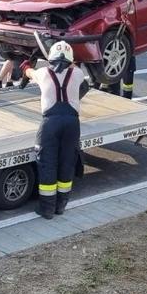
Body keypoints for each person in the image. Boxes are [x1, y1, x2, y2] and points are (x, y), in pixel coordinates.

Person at [23, 41, 86, 219]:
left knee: (47, 163)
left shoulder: (43, 73)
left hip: (50, 123)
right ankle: (61, 206)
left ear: (50, 58)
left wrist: (26, 66)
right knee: (67, 163)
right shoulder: (78, 73)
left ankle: (47, 209)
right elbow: (70, 67)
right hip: (72, 124)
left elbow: (30, 72)